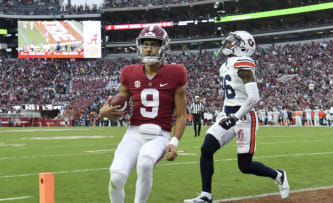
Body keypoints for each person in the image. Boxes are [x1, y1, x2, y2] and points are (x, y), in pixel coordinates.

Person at [184, 31, 289, 203]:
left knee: (245, 166)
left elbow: (254, 97)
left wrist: (235, 116)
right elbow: (231, 95)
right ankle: (206, 195)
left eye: (233, 41)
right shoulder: (225, 66)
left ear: (243, 46)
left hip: (244, 118)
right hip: (228, 114)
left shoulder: (243, 62)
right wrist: (225, 112)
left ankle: (278, 175)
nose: (227, 43)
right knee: (206, 148)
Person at [99, 25, 187, 203]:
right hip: (134, 132)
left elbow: (181, 115)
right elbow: (121, 100)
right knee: (116, 176)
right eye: (145, 44)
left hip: (159, 135)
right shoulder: (129, 72)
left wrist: (174, 142)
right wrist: (104, 111)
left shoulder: (176, 72)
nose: (148, 48)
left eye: (153, 44)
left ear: (163, 47)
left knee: (145, 162)